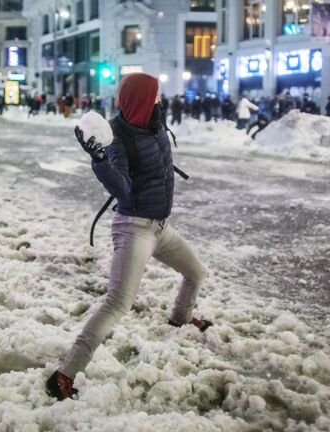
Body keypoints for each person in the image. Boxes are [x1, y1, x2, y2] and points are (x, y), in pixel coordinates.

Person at [46, 73, 210, 401]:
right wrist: (100, 160)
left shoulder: (155, 121)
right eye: (153, 95)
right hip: (134, 228)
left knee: (196, 273)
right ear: (138, 98)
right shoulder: (116, 137)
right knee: (118, 302)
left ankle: (180, 318)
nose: (159, 100)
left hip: (160, 226)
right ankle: (64, 374)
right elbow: (122, 189)